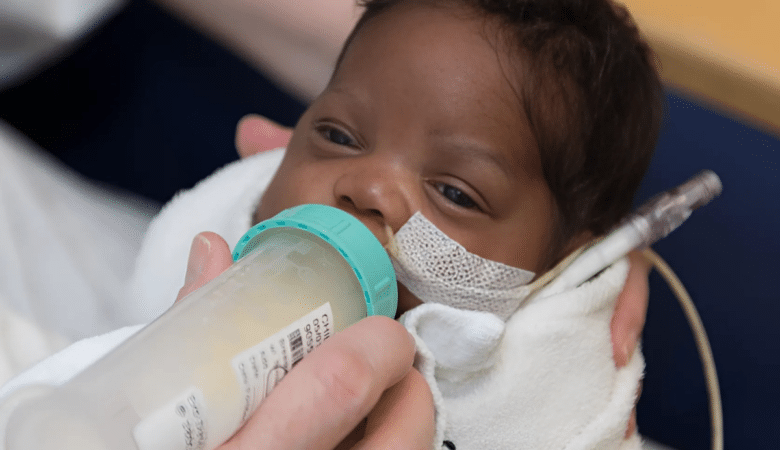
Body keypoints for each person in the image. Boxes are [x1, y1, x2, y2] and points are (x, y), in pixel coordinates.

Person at [0, 0, 658, 448]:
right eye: (338, 134)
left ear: (566, 265)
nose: (369, 185)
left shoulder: (541, 401)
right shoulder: (206, 252)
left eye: (455, 192)